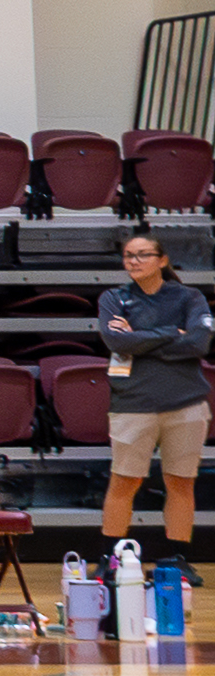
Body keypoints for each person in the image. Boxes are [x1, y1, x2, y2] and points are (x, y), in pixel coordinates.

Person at [100, 229, 207, 560]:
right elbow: (117, 342)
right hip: (133, 404)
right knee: (124, 483)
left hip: (186, 404)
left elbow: (198, 343)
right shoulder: (114, 298)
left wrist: (142, 340)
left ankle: (179, 559)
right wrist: (167, 334)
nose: (134, 261)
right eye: (129, 255)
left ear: (162, 260)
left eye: (142, 254)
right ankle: (111, 561)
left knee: (181, 484)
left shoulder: (190, 298)